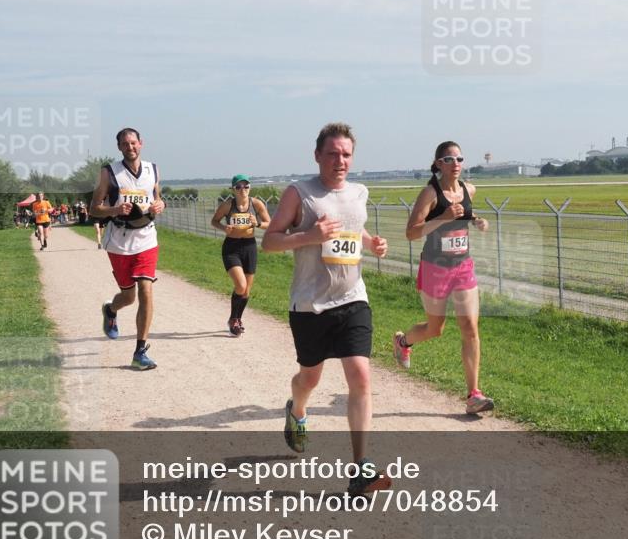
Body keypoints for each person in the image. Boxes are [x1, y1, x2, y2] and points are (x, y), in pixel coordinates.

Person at [262, 122, 391, 496]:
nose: (340, 160)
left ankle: (361, 468)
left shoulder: (359, 192)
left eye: (347, 154)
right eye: (333, 153)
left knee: (361, 378)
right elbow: (270, 241)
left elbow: (352, 229)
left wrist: (373, 243)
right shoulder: (300, 193)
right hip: (310, 305)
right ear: (317, 154)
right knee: (310, 379)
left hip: (353, 298)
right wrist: (310, 236)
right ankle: (298, 411)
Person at [393, 141, 494, 415]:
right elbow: (411, 233)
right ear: (438, 163)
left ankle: (474, 395)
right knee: (435, 329)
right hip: (435, 267)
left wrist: (478, 221)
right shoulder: (429, 194)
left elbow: (468, 214)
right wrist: (444, 217)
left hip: (463, 267)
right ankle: (403, 342)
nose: (456, 163)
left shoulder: (468, 189)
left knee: (471, 327)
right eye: (449, 159)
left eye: (459, 158)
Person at [90, 127, 165, 371]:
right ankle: (110, 309)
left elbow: (156, 196)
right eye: (125, 144)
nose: (130, 147)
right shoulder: (109, 173)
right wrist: (114, 210)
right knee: (128, 297)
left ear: (141, 143)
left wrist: (159, 204)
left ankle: (140, 351)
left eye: (133, 142)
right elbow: (94, 208)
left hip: (146, 238)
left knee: (145, 290)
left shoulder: (153, 169)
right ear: (119, 147)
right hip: (120, 243)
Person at [211, 174, 271, 336]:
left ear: (250, 187)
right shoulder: (227, 205)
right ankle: (233, 319)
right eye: (238, 187)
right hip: (232, 248)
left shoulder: (256, 204)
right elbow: (214, 221)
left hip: (249, 247)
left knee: (246, 291)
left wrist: (256, 223)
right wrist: (224, 229)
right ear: (233, 189)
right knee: (241, 285)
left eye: (246, 186)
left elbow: (269, 223)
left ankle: (237, 319)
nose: (243, 189)